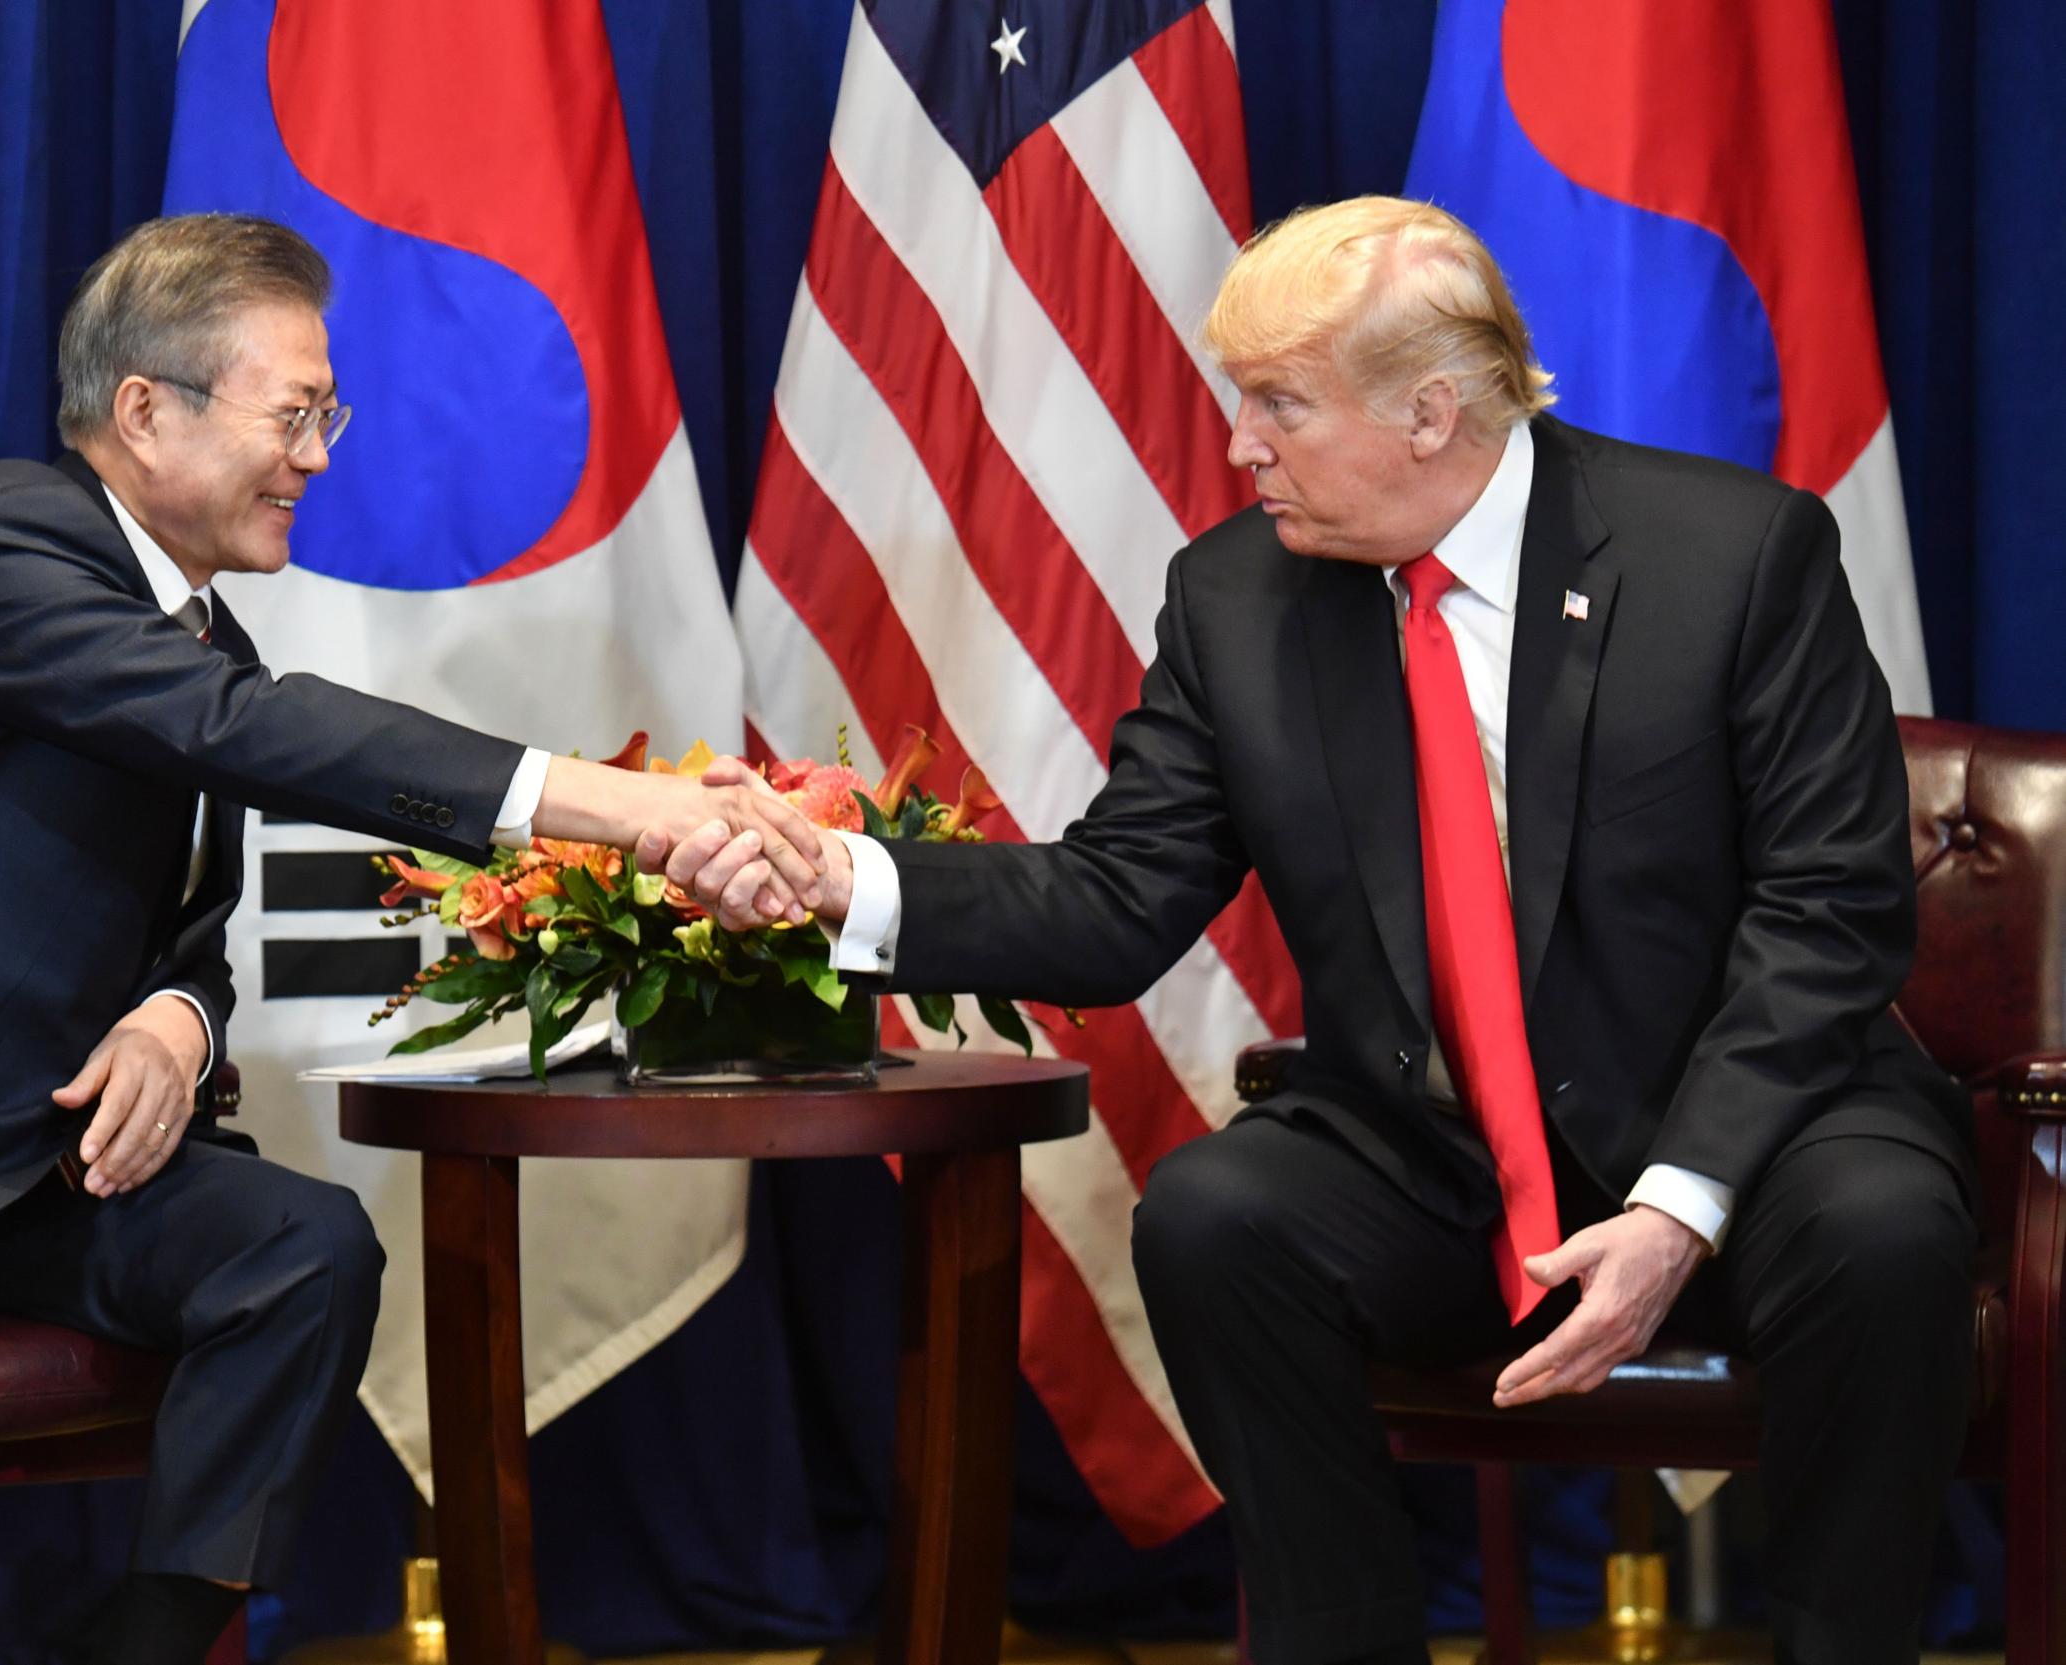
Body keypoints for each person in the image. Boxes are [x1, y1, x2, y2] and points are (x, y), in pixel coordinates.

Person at [654, 197, 1974, 1665]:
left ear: (1430, 411)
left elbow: (1831, 910)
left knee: (1885, 1228)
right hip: (1441, 1149)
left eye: (1279, 404)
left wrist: (1676, 1203)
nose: (1241, 446)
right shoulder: (1235, 600)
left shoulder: (1735, 554)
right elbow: (1113, 902)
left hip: (1757, 1129)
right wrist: (852, 881)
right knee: (1220, 1220)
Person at [0, 212, 825, 1665]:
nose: (322, 453)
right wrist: (608, 806)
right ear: (145, 410)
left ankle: (154, 1644)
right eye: (295, 412)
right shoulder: (6, 544)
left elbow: (192, 921)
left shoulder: (203, 639)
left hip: (22, 1162)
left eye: (332, 413)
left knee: (304, 1246)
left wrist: (175, 1023)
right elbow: (241, 737)